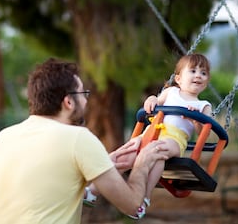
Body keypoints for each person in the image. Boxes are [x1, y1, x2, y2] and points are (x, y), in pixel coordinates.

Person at [0, 58, 170, 224]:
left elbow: (57, 195)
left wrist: (108, 166)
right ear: (69, 102)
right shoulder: (78, 138)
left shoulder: (4, 137)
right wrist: (142, 165)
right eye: (83, 94)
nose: (87, 102)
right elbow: (135, 208)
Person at [86, 53, 212, 218]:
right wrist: (151, 100)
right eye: (193, 70)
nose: (198, 75)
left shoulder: (203, 106)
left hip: (174, 139)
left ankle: (144, 199)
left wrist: (195, 120)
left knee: (156, 151)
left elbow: (205, 132)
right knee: (124, 156)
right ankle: (92, 191)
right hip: (152, 132)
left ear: (207, 81)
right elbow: (155, 101)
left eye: (203, 73)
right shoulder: (171, 92)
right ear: (179, 79)